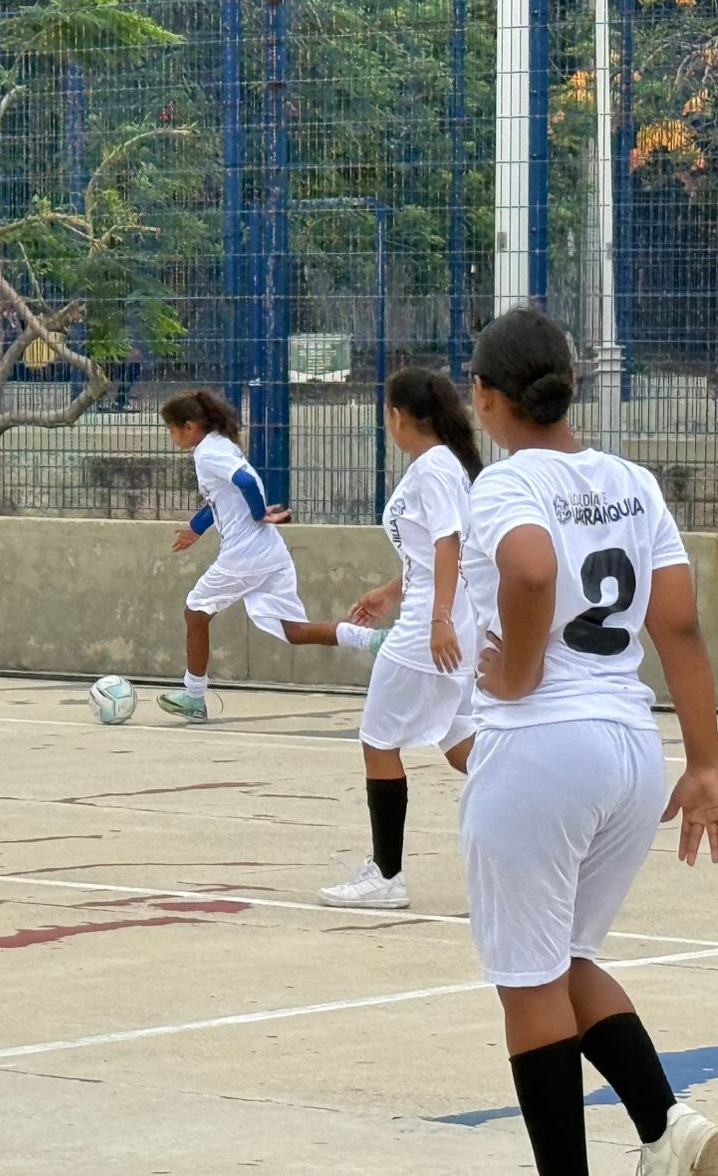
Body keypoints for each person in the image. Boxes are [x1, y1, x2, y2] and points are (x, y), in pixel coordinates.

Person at [460, 306, 718, 1175]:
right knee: (566, 963)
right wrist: (709, 760)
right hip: (630, 749)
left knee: (529, 985)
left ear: (486, 396)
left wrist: (520, 672)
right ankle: (670, 1127)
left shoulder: (505, 483)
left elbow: (530, 568)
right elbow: (678, 627)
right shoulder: (635, 482)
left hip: (541, 749)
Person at [318, 368, 482, 910]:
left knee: (378, 739)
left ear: (396, 415)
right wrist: (391, 591)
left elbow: (449, 544)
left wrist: (435, 621)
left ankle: (386, 877)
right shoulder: (442, 465)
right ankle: (554, 815)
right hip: (442, 621)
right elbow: (427, 553)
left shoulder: (434, 467)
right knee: (463, 745)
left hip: (428, 634)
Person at [159, 390, 381, 724]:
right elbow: (222, 499)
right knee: (292, 630)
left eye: (172, 428)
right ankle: (376, 639)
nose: (171, 435)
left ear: (189, 427)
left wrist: (259, 511)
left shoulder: (207, 453)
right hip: (270, 552)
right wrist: (196, 528)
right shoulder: (221, 445)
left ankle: (193, 696)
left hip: (245, 554)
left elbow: (246, 481)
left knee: (196, 611)